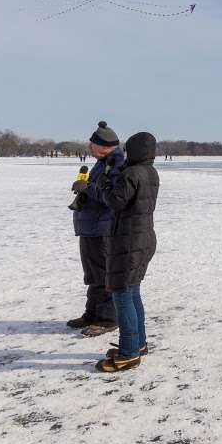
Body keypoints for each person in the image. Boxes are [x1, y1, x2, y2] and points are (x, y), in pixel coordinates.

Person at [94, 131, 159, 372]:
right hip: (142, 239)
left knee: (122, 294)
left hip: (128, 242)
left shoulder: (133, 172)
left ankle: (129, 353)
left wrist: (104, 182)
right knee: (132, 292)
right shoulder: (150, 172)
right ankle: (138, 343)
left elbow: (115, 201)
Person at [68, 121, 124, 336]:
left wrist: (87, 188)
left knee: (103, 274)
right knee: (92, 274)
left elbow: (112, 197)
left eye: (92, 144)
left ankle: (108, 318)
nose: (89, 147)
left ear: (103, 146)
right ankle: (91, 313)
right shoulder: (103, 162)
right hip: (91, 228)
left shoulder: (116, 163)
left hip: (103, 228)